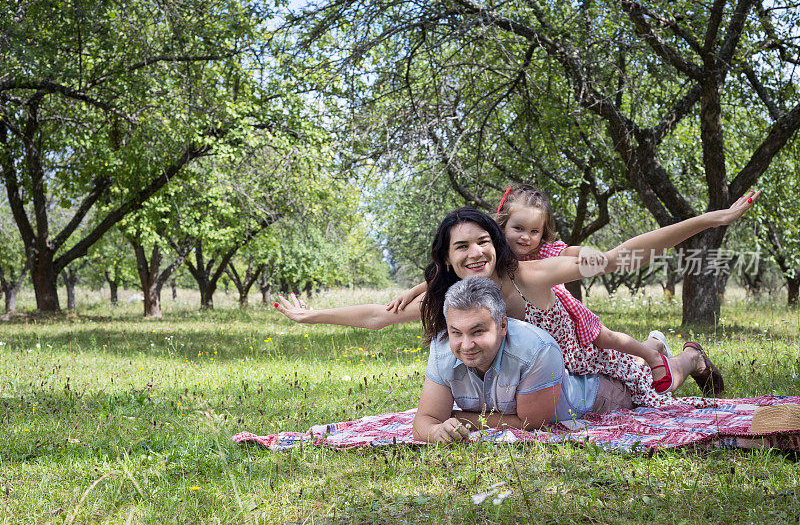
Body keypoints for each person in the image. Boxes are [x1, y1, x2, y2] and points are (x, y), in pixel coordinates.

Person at [275, 191, 758, 407]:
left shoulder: (530, 273)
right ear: (447, 260)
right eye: (460, 247)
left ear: (497, 242)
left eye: (482, 241)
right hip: (533, 387)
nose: (474, 252)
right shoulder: (455, 297)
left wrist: (707, 221)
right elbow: (380, 316)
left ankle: (689, 357)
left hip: (587, 368)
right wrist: (311, 314)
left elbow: (614, 258)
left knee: (658, 389)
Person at [386, 185, 679, 393]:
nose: (526, 237)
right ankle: (654, 347)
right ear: (500, 227)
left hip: (564, 320)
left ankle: (656, 354)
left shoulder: (540, 259)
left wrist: (589, 253)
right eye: (518, 229)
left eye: (534, 231)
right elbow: (442, 273)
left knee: (610, 344)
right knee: (615, 358)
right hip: (550, 354)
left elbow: (581, 254)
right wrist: (412, 292)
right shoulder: (487, 260)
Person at [412, 277, 704, 443]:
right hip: (560, 379)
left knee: (650, 387)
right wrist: (437, 430)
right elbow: (424, 421)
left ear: (502, 326)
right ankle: (653, 344)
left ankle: (689, 358)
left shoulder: (537, 349)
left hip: (596, 394)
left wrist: (458, 418)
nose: (466, 345)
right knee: (635, 365)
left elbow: (528, 424)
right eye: (456, 332)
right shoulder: (442, 349)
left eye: (478, 331)